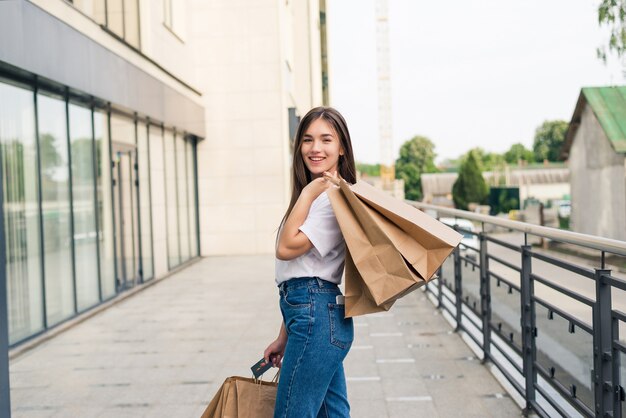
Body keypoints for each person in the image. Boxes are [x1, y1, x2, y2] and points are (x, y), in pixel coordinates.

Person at [263, 106, 357, 418]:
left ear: (341, 147)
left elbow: (287, 249)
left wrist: (310, 190)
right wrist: (284, 335)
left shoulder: (330, 197)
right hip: (315, 316)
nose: (315, 148)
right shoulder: (322, 195)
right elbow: (301, 275)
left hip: (317, 318)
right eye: (307, 140)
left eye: (326, 140)